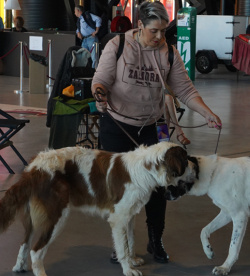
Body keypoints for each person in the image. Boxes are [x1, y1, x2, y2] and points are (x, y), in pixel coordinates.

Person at [91, 1, 222, 264]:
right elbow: (101, 80)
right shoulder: (117, 46)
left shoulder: (169, 53)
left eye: (164, 31)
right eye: (154, 31)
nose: (160, 37)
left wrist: (207, 113)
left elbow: (185, 90)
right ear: (140, 25)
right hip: (118, 126)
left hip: (152, 128)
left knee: (160, 186)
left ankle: (155, 239)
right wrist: (100, 95)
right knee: (120, 189)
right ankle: (123, 245)